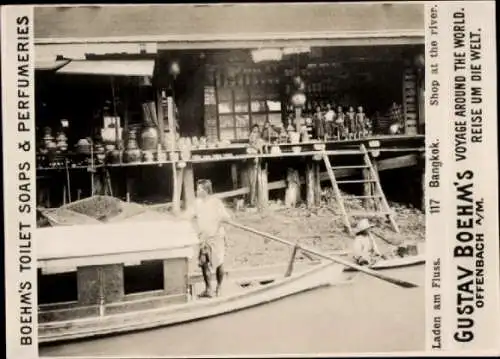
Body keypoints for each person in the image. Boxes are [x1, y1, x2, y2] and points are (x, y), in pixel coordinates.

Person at [183, 179, 231, 297]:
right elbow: (187, 215)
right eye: (197, 188)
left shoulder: (216, 202)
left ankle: (219, 287)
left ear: (206, 191)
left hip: (216, 236)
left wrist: (220, 218)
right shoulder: (197, 203)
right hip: (204, 238)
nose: (197, 191)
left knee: (219, 262)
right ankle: (208, 289)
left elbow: (227, 218)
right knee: (204, 262)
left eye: (199, 189)